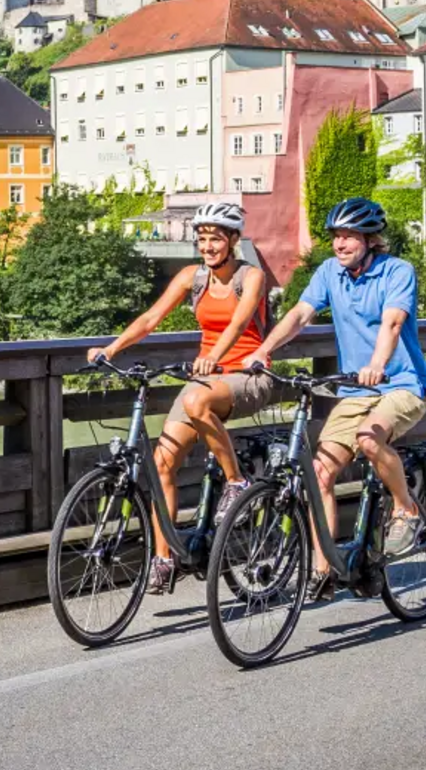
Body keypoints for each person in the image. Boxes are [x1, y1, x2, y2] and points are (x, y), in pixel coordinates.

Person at [243, 197, 426, 601]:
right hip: (354, 389)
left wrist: (378, 364)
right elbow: (300, 314)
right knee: (320, 472)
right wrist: (265, 350)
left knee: (368, 438)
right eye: (336, 237)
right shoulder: (330, 273)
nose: (340, 244)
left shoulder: (397, 271)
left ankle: (406, 508)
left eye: (348, 236)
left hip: (401, 384)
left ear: (369, 239)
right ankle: (325, 570)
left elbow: (393, 322)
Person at [88, 201, 277, 594]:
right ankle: (164, 557)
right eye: (202, 239)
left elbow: (241, 320)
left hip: (248, 376)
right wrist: (112, 348)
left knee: (195, 402)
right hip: (206, 381)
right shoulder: (193, 278)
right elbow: (150, 319)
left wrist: (213, 357)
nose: (208, 247)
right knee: (161, 464)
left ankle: (236, 481)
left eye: (216, 239)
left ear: (234, 241)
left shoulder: (251, 276)